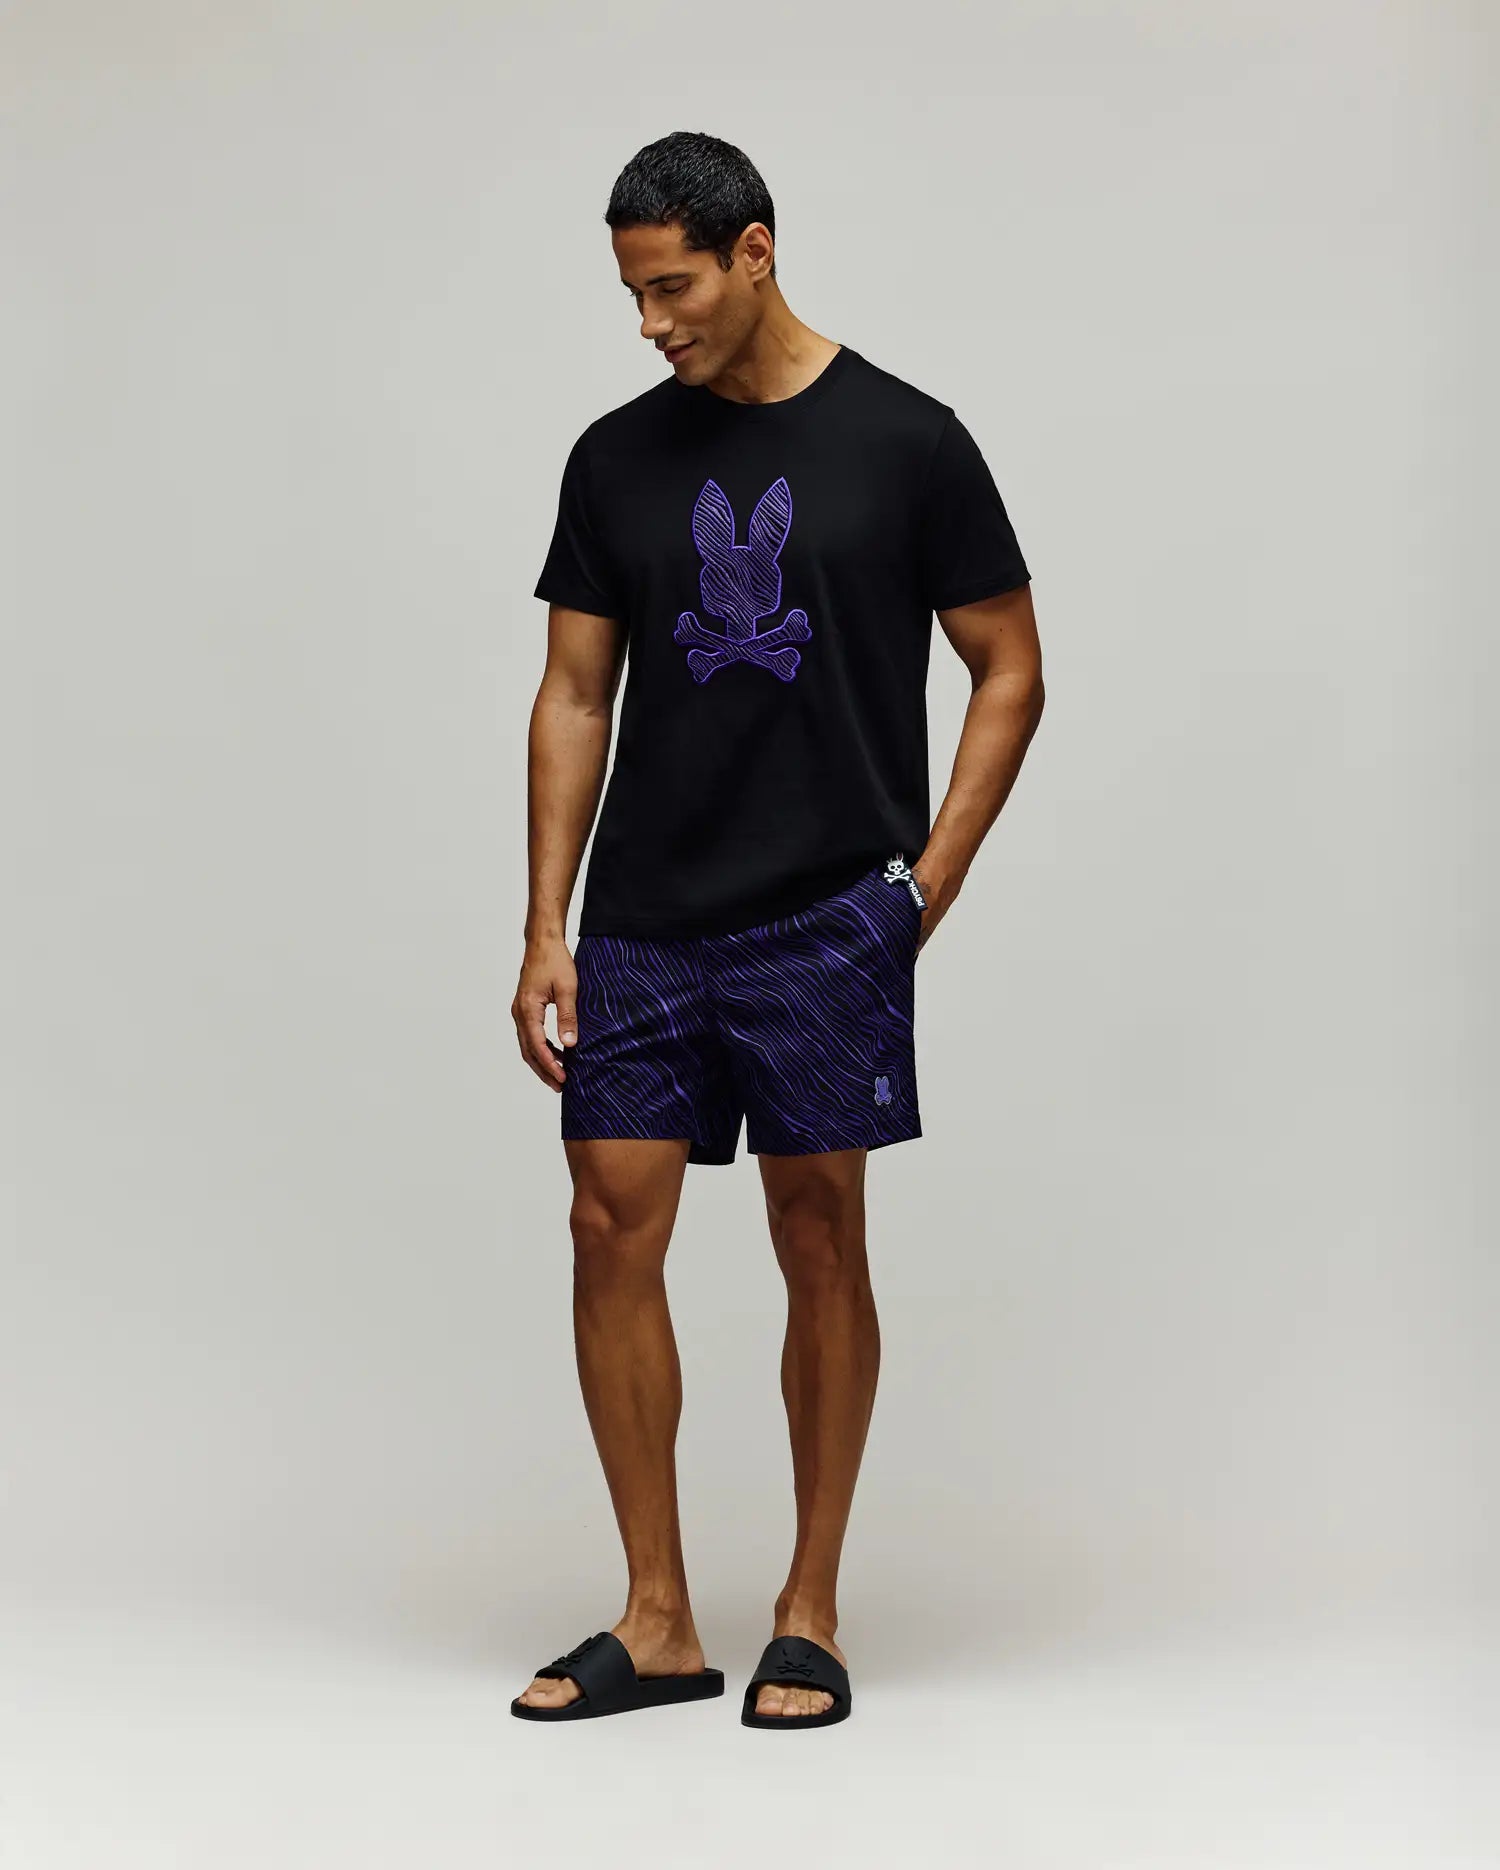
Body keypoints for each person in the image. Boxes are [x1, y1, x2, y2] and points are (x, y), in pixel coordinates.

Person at [510, 130, 1044, 1729]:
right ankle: (659, 1617)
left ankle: (809, 1608)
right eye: (632, 293)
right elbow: (575, 692)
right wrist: (546, 923)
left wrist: (926, 885)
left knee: (818, 1234)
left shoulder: (908, 440)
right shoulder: (613, 458)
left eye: (672, 286)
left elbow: (1010, 666)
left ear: (755, 251)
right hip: (644, 920)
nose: (651, 321)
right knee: (608, 1226)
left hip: (827, 912)